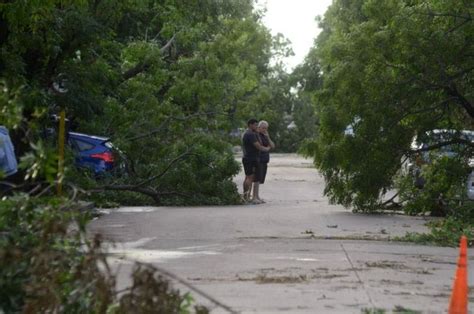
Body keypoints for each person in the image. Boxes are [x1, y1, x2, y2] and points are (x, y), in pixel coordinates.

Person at [242, 118, 270, 204]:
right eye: (255, 125)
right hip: (250, 158)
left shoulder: (251, 133)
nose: (256, 126)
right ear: (250, 125)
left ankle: (247, 197)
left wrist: (258, 133)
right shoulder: (250, 134)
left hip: (251, 158)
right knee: (249, 177)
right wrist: (267, 149)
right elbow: (258, 146)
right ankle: (246, 197)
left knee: (249, 177)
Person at [252, 120, 275, 203]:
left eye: (266, 128)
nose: (265, 129)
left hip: (265, 160)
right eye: (263, 128)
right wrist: (267, 148)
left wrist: (268, 137)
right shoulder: (256, 135)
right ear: (259, 127)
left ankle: (257, 196)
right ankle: (254, 197)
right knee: (256, 179)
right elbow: (260, 147)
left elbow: (272, 146)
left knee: (260, 179)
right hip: (258, 159)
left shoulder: (265, 135)